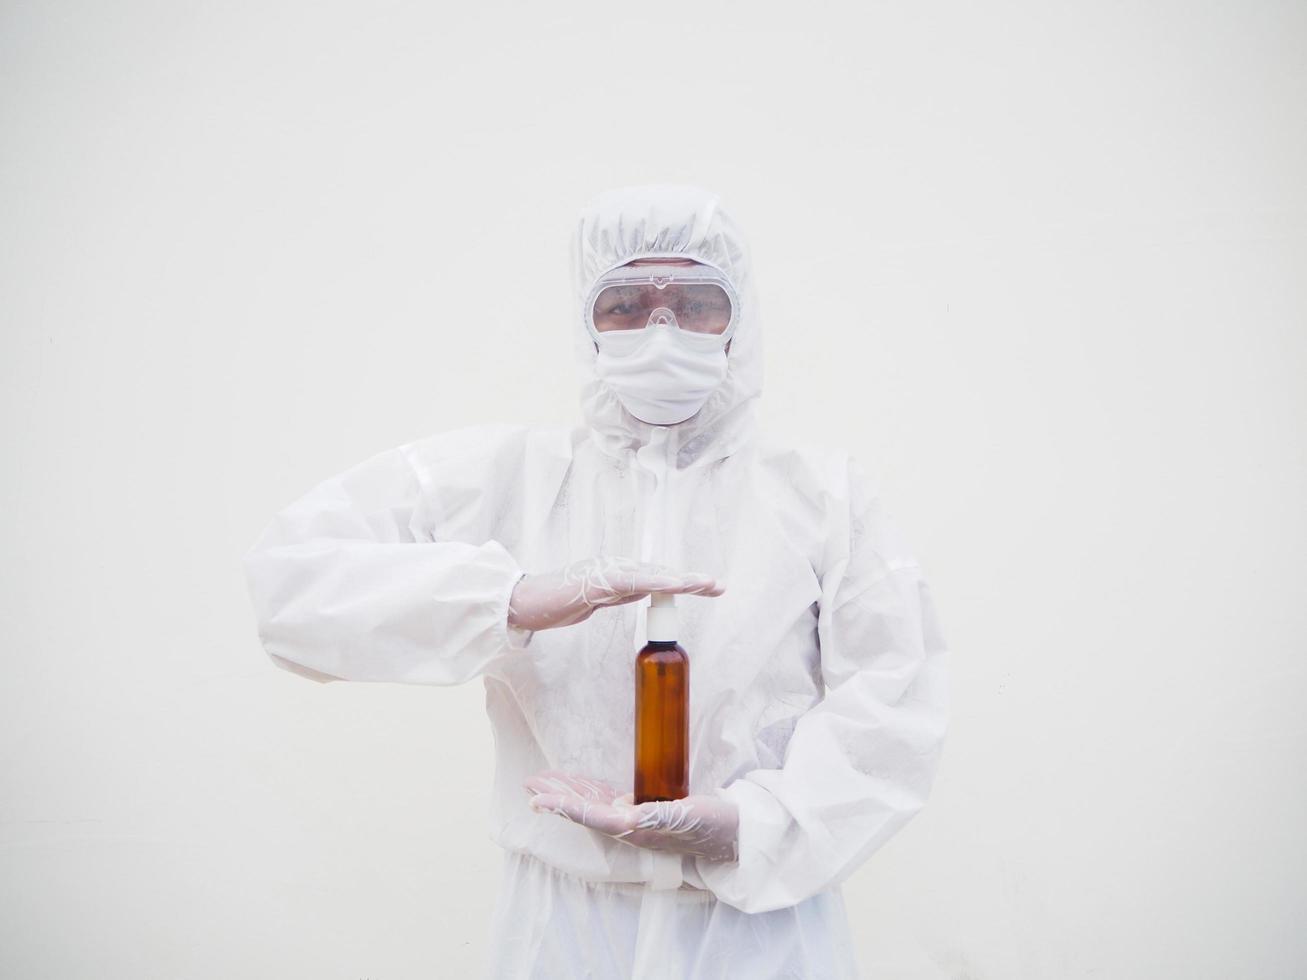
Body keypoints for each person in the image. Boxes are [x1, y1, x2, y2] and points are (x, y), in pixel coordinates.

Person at [242, 184, 950, 979]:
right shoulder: (510, 478)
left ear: (737, 323)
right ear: (586, 326)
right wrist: (503, 601)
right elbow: (291, 582)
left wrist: (748, 828)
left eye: (693, 301)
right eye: (623, 304)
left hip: (758, 929)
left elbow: (893, 704)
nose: (660, 329)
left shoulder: (822, 498)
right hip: (562, 925)